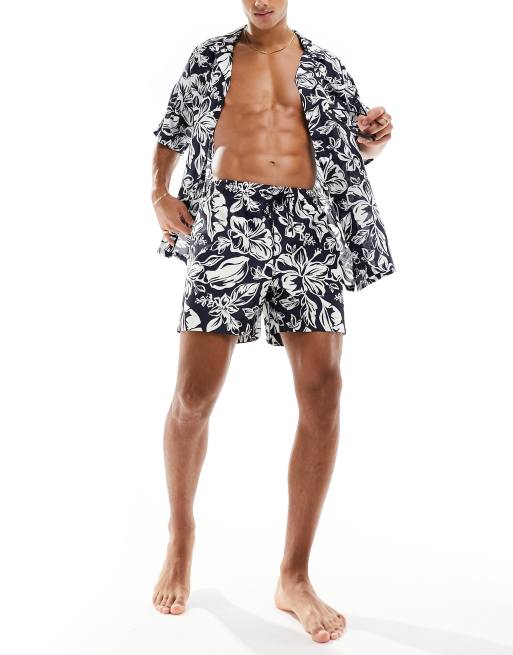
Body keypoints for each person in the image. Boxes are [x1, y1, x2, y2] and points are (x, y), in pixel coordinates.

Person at [150, 0, 395, 644]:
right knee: (193, 395)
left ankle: (294, 576)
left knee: (324, 392)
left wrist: (372, 139)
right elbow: (171, 132)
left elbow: (350, 149)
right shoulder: (209, 57)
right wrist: (158, 193)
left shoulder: (325, 65)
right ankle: (181, 534)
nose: (261, 0)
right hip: (227, 224)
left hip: (307, 230)